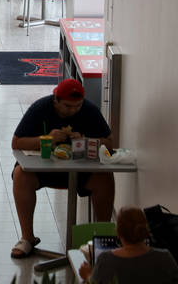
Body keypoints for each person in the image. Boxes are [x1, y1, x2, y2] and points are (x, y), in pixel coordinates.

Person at [10, 79, 114, 258]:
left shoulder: (89, 111)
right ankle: (27, 237)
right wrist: (46, 139)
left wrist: (85, 141)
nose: (72, 110)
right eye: (67, 106)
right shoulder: (40, 109)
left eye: (77, 106)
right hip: (45, 169)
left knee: (104, 177)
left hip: (81, 171)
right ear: (55, 99)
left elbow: (110, 143)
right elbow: (17, 142)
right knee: (21, 175)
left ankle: (102, 239)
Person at [79, 206, 178, 284]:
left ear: (118, 232)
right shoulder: (165, 258)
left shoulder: (105, 260)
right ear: (146, 230)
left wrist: (88, 275)